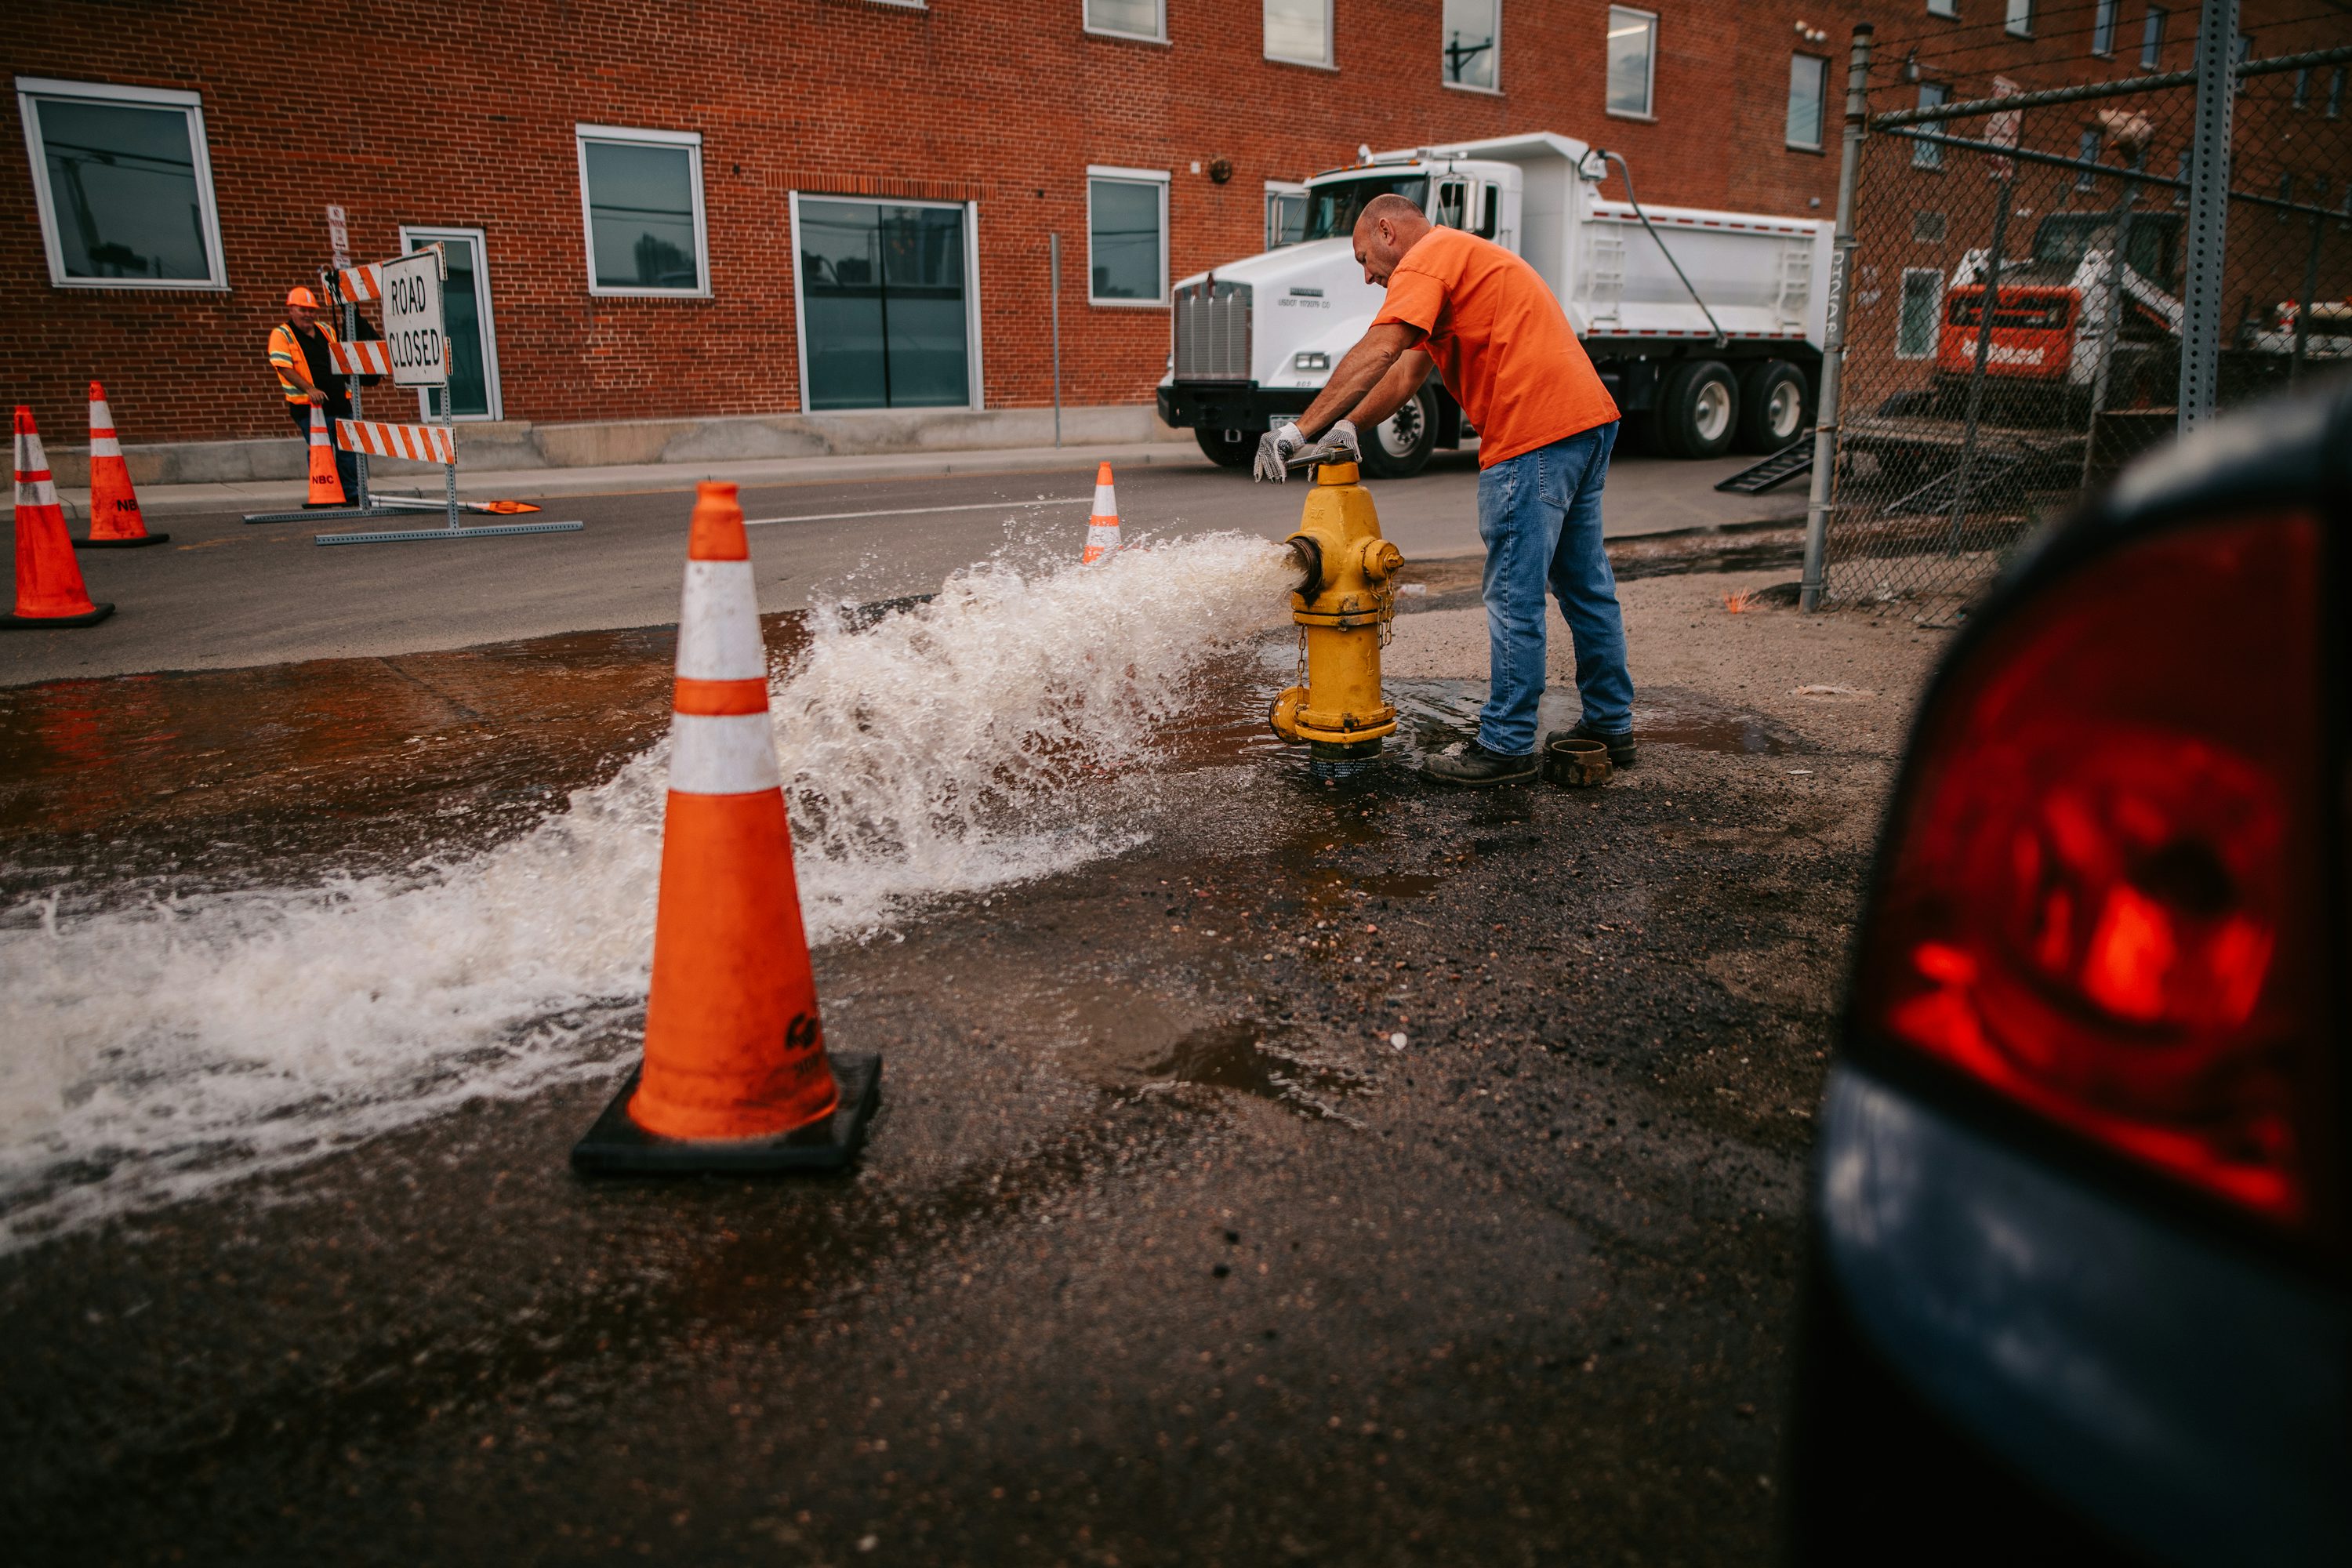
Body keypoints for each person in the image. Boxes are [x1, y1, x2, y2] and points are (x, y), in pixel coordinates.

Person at [1254, 194, 1635, 786]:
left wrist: (1296, 431)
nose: (1367, 276)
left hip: (1531, 433)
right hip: (1584, 421)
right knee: (1585, 583)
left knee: (1514, 593)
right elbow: (1406, 371)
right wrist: (1349, 427)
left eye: (1364, 259)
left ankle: (1506, 745)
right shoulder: (1462, 258)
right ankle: (1611, 724)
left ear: (1388, 231)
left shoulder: (1425, 259)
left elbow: (1380, 348)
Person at [266, 285, 361, 503]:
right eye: (302, 309)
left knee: (348, 450)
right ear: (291, 310)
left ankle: (351, 492)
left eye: (312, 310)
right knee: (322, 450)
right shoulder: (282, 334)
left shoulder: (326, 330)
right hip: (310, 407)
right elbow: (284, 367)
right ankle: (327, 493)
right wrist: (310, 389)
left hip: (339, 402)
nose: (308, 314)